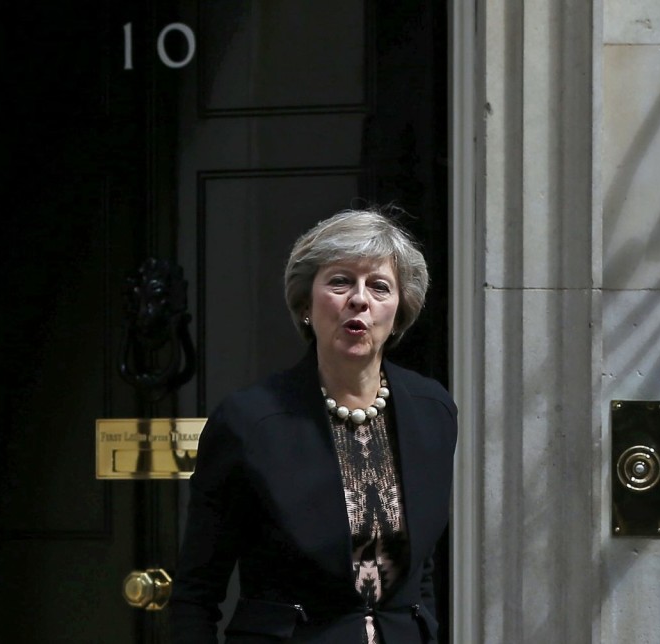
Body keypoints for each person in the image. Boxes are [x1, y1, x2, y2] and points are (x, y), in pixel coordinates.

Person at [170, 208, 458, 644]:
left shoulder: (432, 409)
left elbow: (420, 572)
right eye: (340, 281)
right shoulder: (250, 422)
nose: (359, 299)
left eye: (379, 286)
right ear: (306, 304)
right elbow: (196, 592)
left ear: (399, 314)